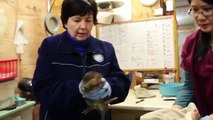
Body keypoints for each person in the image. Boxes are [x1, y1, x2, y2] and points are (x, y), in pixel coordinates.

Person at [32, 0, 131, 120]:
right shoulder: (50, 46)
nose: (83, 26)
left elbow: (121, 82)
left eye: (88, 20)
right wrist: (78, 89)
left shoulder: (106, 49)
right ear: (65, 21)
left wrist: (110, 87)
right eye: (77, 20)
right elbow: (42, 89)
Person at [172, 0, 213, 119]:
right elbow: (189, 87)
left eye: (208, 9)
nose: (200, 17)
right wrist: (175, 112)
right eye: (195, 10)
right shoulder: (191, 43)